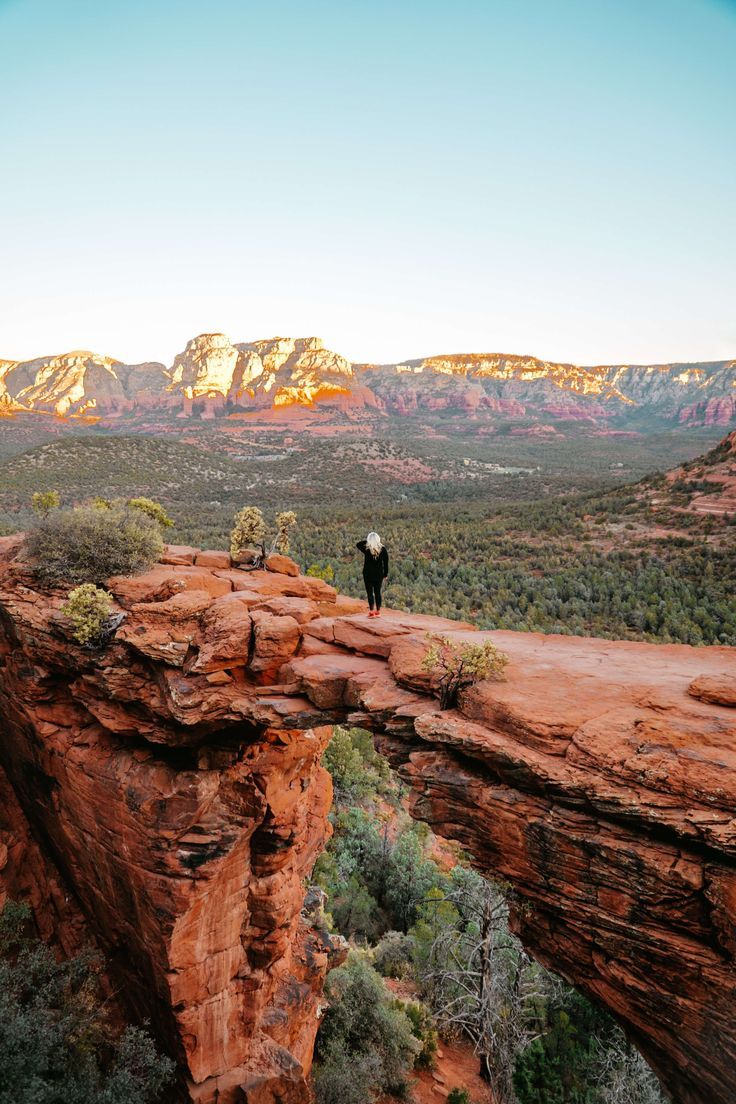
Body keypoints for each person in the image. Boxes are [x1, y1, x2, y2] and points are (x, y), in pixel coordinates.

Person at [356, 531, 389, 617]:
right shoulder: (383, 549)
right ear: (378, 539)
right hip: (379, 574)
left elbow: (358, 544)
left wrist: (369, 540)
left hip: (368, 574)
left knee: (370, 593)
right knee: (377, 592)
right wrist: (385, 574)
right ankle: (378, 611)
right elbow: (386, 563)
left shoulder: (366, 548)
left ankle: (371, 611)